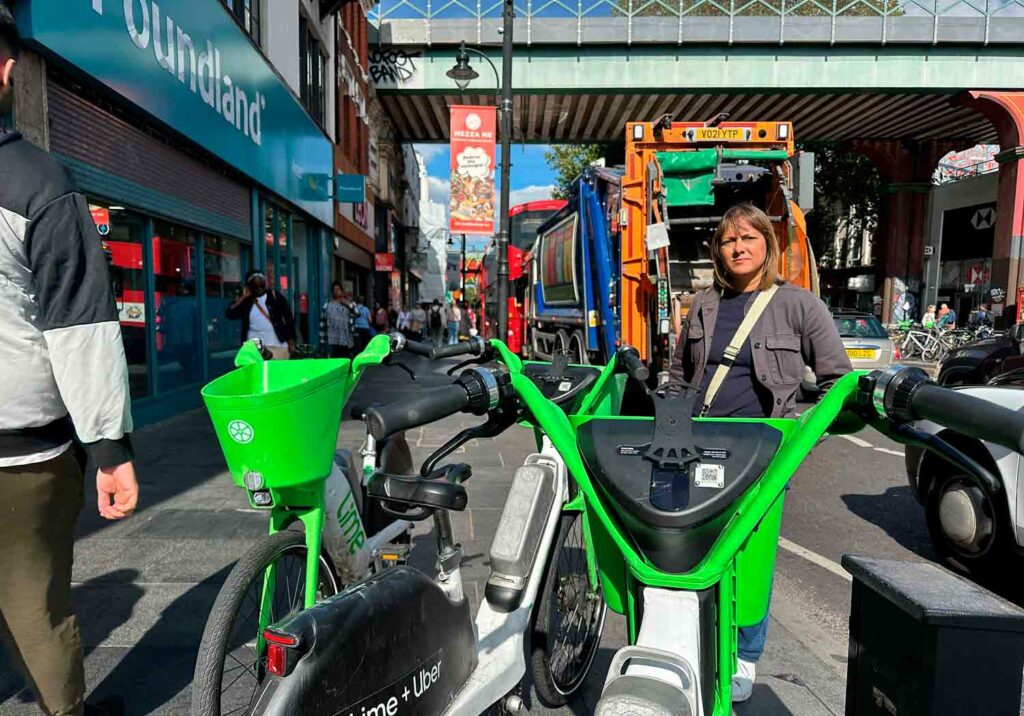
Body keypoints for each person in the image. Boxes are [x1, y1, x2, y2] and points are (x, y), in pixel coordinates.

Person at [0, 7, 140, 714]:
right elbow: (78, 327)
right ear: (6, 72)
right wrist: (110, 446)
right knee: (37, 606)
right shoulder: (38, 183)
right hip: (22, 454)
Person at [668, 203, 851, 702]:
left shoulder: (798, 305)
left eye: (749, 238)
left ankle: (745, 655)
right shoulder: (704, 304)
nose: (738, 248)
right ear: (718, 250)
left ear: (768, 246)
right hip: (700, 449)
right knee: (693, 550)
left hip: (761, 457)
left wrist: (797, 434)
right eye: (729, 241)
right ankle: (696, 639)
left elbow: (839, 381)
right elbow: (682, 377)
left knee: (751, 557)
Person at [226, 269, 296, 359]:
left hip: (277, 345)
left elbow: (288, 318)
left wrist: (290, 341)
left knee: (276, 372)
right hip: (254, 349)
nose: (259, 287)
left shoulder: (275, 296)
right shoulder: (246, 302)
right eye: (255, 284)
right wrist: (242, 297)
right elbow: (230, 314)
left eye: (260, 282)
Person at [320, 282, 355, 358]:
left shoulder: (348, 303)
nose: (336, 291)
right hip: (332, 340)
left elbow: (357, 313)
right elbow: (323, 323)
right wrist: (323, 340)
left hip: (346, 339)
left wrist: (347, 303)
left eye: (338, 289)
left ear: (342, 291)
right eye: (334, 289)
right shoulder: (327, 305)